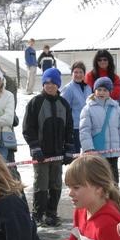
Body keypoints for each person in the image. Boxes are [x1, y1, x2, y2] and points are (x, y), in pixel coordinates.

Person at [22, 67, 75, 227]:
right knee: (41, 183)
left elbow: (69, 128)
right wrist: (35, 147)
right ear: (43, 84)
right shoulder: (36, 103)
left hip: (58, 154)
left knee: (56, 183)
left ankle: (51, 213)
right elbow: (28, 128)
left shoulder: (63, 104)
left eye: (53, 83)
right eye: (47, 83)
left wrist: (69, 148)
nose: (50, 86)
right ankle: (38, 214)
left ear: (58, 85)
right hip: (41, 154)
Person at [79, 76, 120, 182]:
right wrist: (89, 149)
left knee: (114, 181)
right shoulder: (88, 109)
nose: (102, 92)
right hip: (97, 153)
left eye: (105, 90)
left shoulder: (116, 107)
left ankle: (114, 193)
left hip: (113, 152)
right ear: (94, 90)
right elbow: (84, 131)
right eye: (99, 89)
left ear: (110, 92)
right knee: (100, 181)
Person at [60, 61, 92, 154]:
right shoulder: (68, 89)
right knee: (76, 155)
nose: (78, 75)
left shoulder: (88, 88)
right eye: (75, 72)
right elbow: (63, 109)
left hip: (87, 126)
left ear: (84, 74)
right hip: (74, 127)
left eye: (81, 72)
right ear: (72, 74)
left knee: (87, 154)